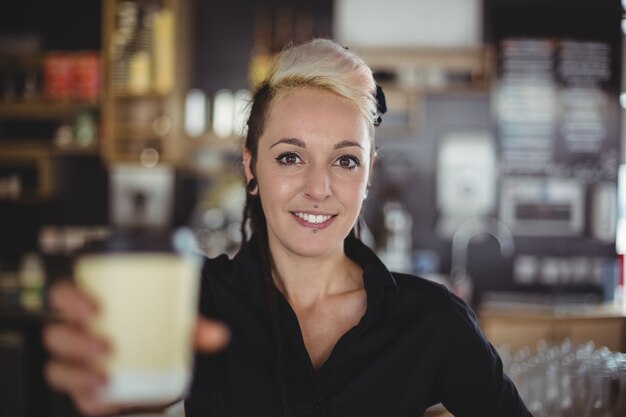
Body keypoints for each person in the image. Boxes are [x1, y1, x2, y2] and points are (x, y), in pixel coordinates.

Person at [44, 39, 531, 417]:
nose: (318, 188)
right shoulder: (193, 302)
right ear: (251, 167)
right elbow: (130, 384)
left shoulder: (433, 322)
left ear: (368, 174)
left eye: (345, 160)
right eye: (290, 157)